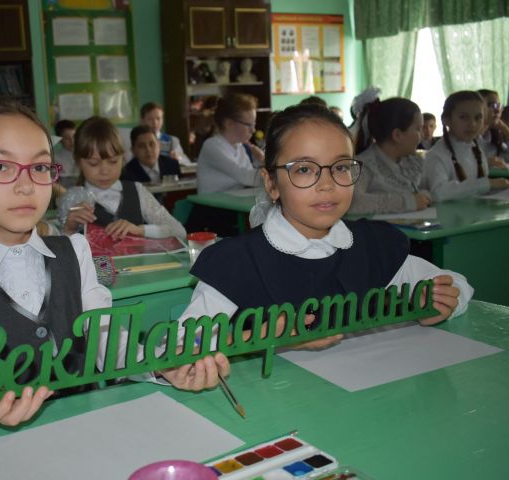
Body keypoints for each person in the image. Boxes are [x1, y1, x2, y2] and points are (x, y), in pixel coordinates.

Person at [0, 101, 223, 436]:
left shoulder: (75, 252)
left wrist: (161, 364)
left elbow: (112, 346)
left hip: (90, 436)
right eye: (0, 166)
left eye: (40, 167)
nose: (26, 185)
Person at [182, 104, 473, 351]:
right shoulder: (237, 262)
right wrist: (259, 337)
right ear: (271, 184)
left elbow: (457, 283)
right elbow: (182, 346)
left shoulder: (372, 245)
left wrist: (439, 300)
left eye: (341, 167)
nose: (327, 184)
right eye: (304, 169)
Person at [58, 116, 186, 239]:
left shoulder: (137, 191)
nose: (105, 171)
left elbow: (179, 231)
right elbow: (61, 249)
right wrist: (69, 229)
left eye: (113, 161)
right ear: (78, 161)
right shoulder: (72, 200)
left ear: (122, 158)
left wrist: (140, 230)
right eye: (94, 163)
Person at [424, 91, 509, 202]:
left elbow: (478, 191)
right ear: (446, 120)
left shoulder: (476, 149)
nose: (472, 124)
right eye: (463, 117)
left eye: (478, 118)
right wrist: (487, 183)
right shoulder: (437, 155)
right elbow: (439, 193)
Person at [350, 98, 432, 214]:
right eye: (418, 129)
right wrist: (408, 202)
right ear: (397, 135)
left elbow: (430, 189)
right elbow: (353, 202)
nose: (422, 135)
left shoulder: (414, 161)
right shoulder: (363, 165)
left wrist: (424, 196)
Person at [196, 92, 263, 193]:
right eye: (248, 125)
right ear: (229, 124)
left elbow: (251, 177)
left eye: (254, 124)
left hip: (234, 201)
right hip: (214, 203)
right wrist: (271, 168)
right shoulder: (212, 146)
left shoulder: (239, 147)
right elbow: (247, 177)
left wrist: (261, 161)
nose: (253, 130)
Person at [477, 89, 509, 164]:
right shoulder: (466, 136)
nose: (497, 111)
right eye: (492, 105)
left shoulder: (494, 134)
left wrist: (505, 128)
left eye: (498, 106)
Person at [53, 119, 79, 188]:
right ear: (60, 140)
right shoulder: (55, 158)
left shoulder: (83, 154)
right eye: (67, 138)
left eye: (74, 137)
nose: (72, 141)